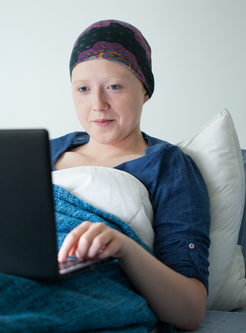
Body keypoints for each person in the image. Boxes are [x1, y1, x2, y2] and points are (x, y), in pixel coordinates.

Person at [52, 20, 211, 331]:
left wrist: (123, 246)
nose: (97, 104)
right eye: (83, 89)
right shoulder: (41, 150)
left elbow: (190, 311)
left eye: (114, 86)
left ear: (145, 90)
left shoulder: (168, 165)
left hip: (83, 294)